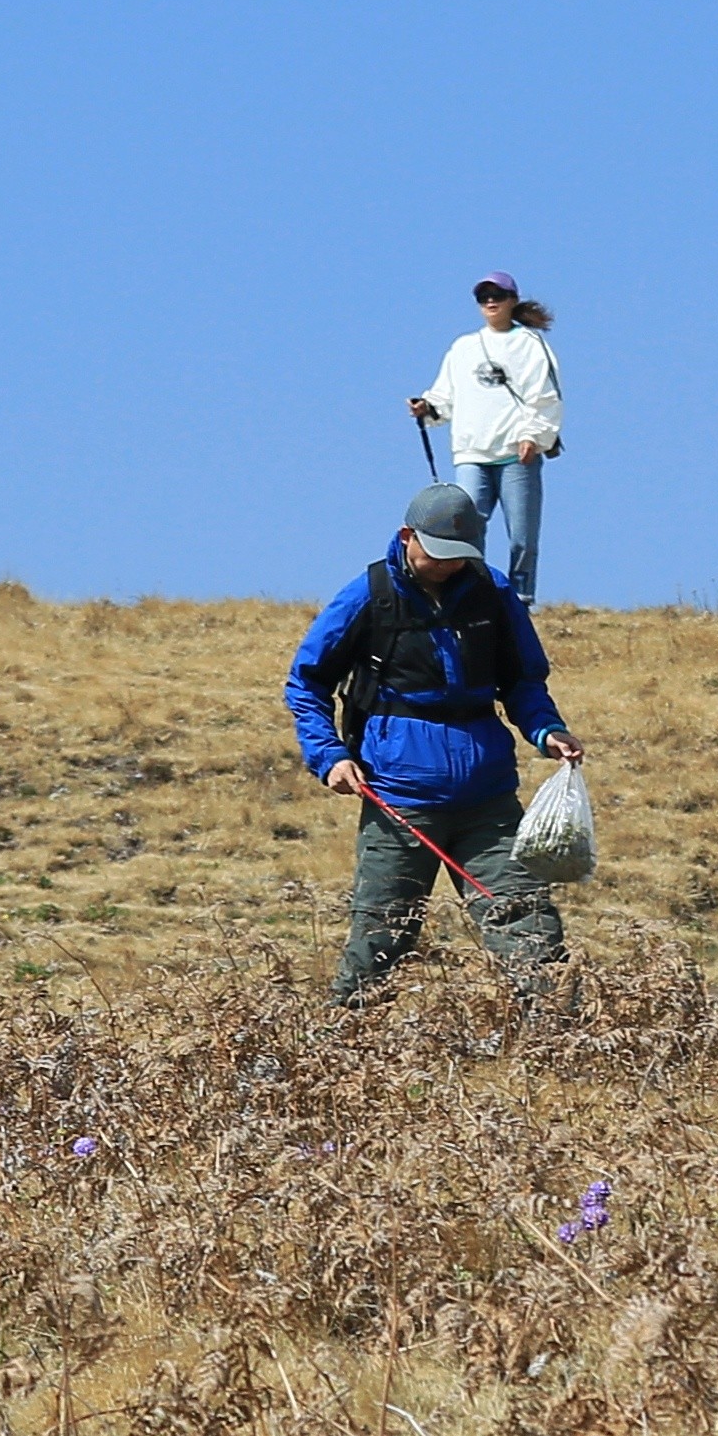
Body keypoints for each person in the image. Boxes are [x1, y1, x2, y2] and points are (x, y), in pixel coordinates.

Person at [284, 481, 584, 1004]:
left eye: (460, 555)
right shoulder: (367, 596)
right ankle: (346, 1043)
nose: (449, 565)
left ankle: (560, 1044)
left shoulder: (492, 592)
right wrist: (329, 757)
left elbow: (523, 680)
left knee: (528, 926)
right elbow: (306, 683)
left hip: (487, 800)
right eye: (439, 554)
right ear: (407, 537)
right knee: (382, 936)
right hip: (398, 800)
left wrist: (546, 730)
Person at [408, 273, 564, 601]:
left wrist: (532, 437)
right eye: (483, 297)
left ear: (512, 301)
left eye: (498, 295)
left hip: (515, 454)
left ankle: (520, 598)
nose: (491, 302)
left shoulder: (530, 345)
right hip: (472, 453)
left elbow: (545, 396)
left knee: (522, 535)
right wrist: (428, 406)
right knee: (465, 529)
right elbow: (445, 394)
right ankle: (470, 594)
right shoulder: (463, 348)